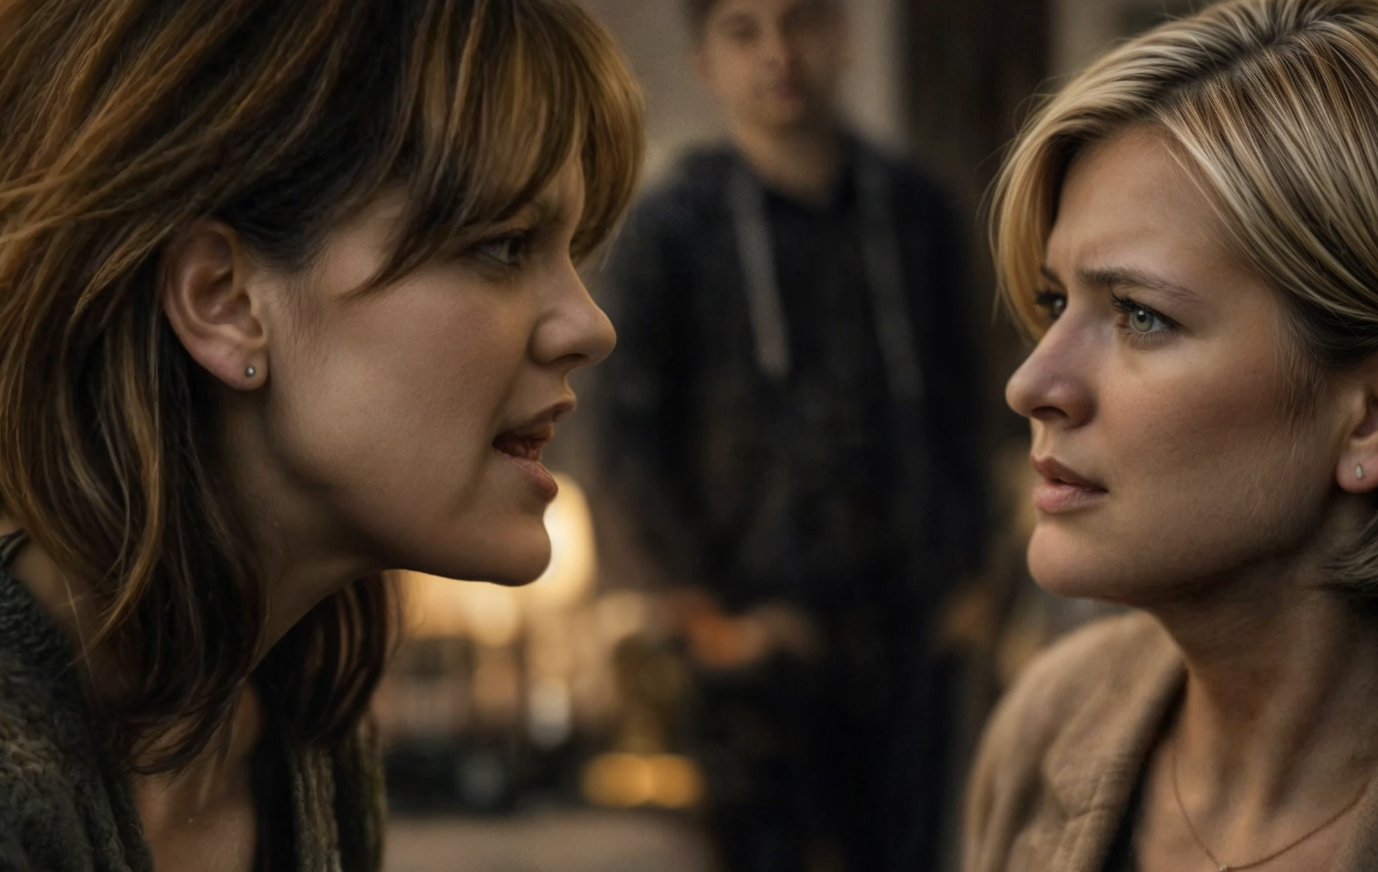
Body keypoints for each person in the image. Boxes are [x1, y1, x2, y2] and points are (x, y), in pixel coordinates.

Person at [0, 0, 642, 870]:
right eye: (503, 244)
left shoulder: (303, 736)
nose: (589, 326)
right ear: (226, 303)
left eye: (572, 252)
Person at [965, 1, 1378, 870]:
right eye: (1053, 301)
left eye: (1140, 315)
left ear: (1367, 417)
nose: (1031, 384)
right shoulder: (1047, 727)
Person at [594, 0, 984, 869]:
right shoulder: (673, 228)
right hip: (750, 639)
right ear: (706, 61)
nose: (778, 53)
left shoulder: (916, 210)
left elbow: (966, 401)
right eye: (744, 30)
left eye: (800, 21)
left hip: (909, 640)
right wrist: (702, 617)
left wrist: (970, 581)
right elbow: (627, 438)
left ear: (839, 35)